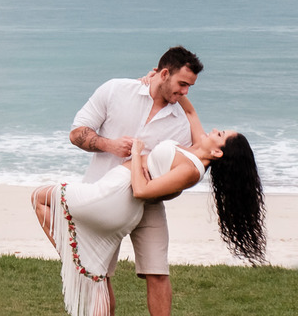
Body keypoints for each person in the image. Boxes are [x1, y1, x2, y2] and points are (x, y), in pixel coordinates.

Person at [32, 128, 266, 316]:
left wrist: (136, 153)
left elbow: (141, 190)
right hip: (118, 200)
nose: (214, 130)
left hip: (111, 196)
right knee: (97, 278)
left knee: (39, 198)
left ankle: (73, 257)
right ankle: (76, 258)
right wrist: (162, 83)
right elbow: (190, 112)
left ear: (217, 153)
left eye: (220, 134)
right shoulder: (195, 152)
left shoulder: (191, 169)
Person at [65, 46, 205, 316]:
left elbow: (179, 178)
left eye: (190, 86)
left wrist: (160, 189)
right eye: (182, 84)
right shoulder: (115, 90)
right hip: (103, 195)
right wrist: (109, 145)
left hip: (148, 203)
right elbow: (76, 133)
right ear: (164, 74)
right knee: (99, 275)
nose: (186, 92)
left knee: (158, 273)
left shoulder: (181, 124)